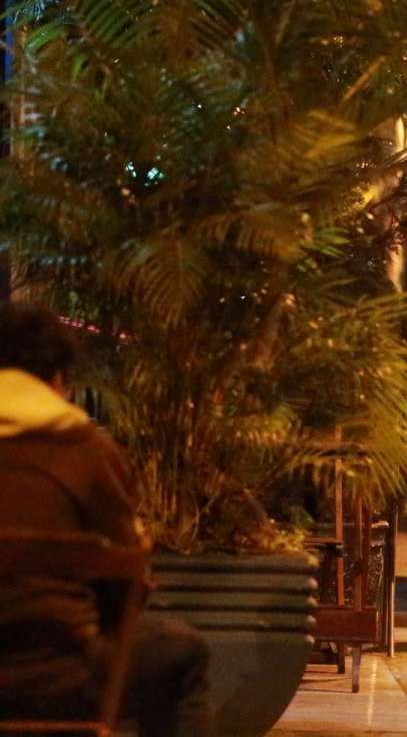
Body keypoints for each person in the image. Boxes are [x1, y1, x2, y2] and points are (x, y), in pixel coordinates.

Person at [0, 302, 212, 737]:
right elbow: (127, 582)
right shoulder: (88, 452)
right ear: (58, 380)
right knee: (182, 654)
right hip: (60, 677)